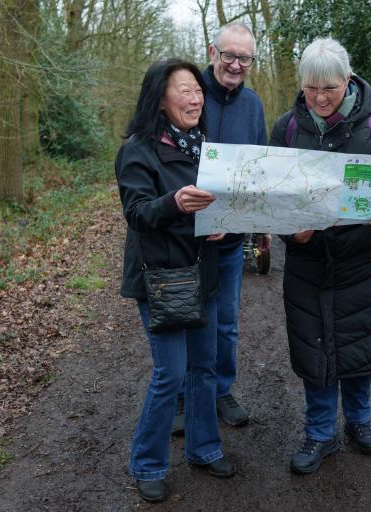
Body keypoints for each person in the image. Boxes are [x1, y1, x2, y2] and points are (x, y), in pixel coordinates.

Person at [269, 38, 371, 475]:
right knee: (315, 348)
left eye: (330, 89)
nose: (319, 98)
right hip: (311, 261)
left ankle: (359, 421)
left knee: (361, 342)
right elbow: (272, 193)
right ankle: (320, 432)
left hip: (368, 260)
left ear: (348, 81)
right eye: (310, 89)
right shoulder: (285, 128)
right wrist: (287, 228)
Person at [115, 59, 235, 503]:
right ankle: (147, 463)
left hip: (202, 271)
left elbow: (212, 206)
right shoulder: (137, 150)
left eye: (198, 90)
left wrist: (219, 221)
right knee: (171, 372)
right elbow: (138, 214)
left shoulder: (204, 146)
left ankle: (204, 449)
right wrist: (176, 202)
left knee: (204, 368)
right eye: (184, 90)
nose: (196, 97)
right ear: (159, 99)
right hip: (162, 279)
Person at [172, 22, 268, 434]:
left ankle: (220, 391)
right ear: (213, 52)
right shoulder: (191, 96)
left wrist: (259, 225)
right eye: (228, 55)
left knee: (225, 323)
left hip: (230, 240)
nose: (235, 64)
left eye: (244, 58)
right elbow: (168, 160)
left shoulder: (253, 105)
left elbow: (261, 167)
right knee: (181, 319)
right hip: (183, 240)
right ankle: (179, 398)